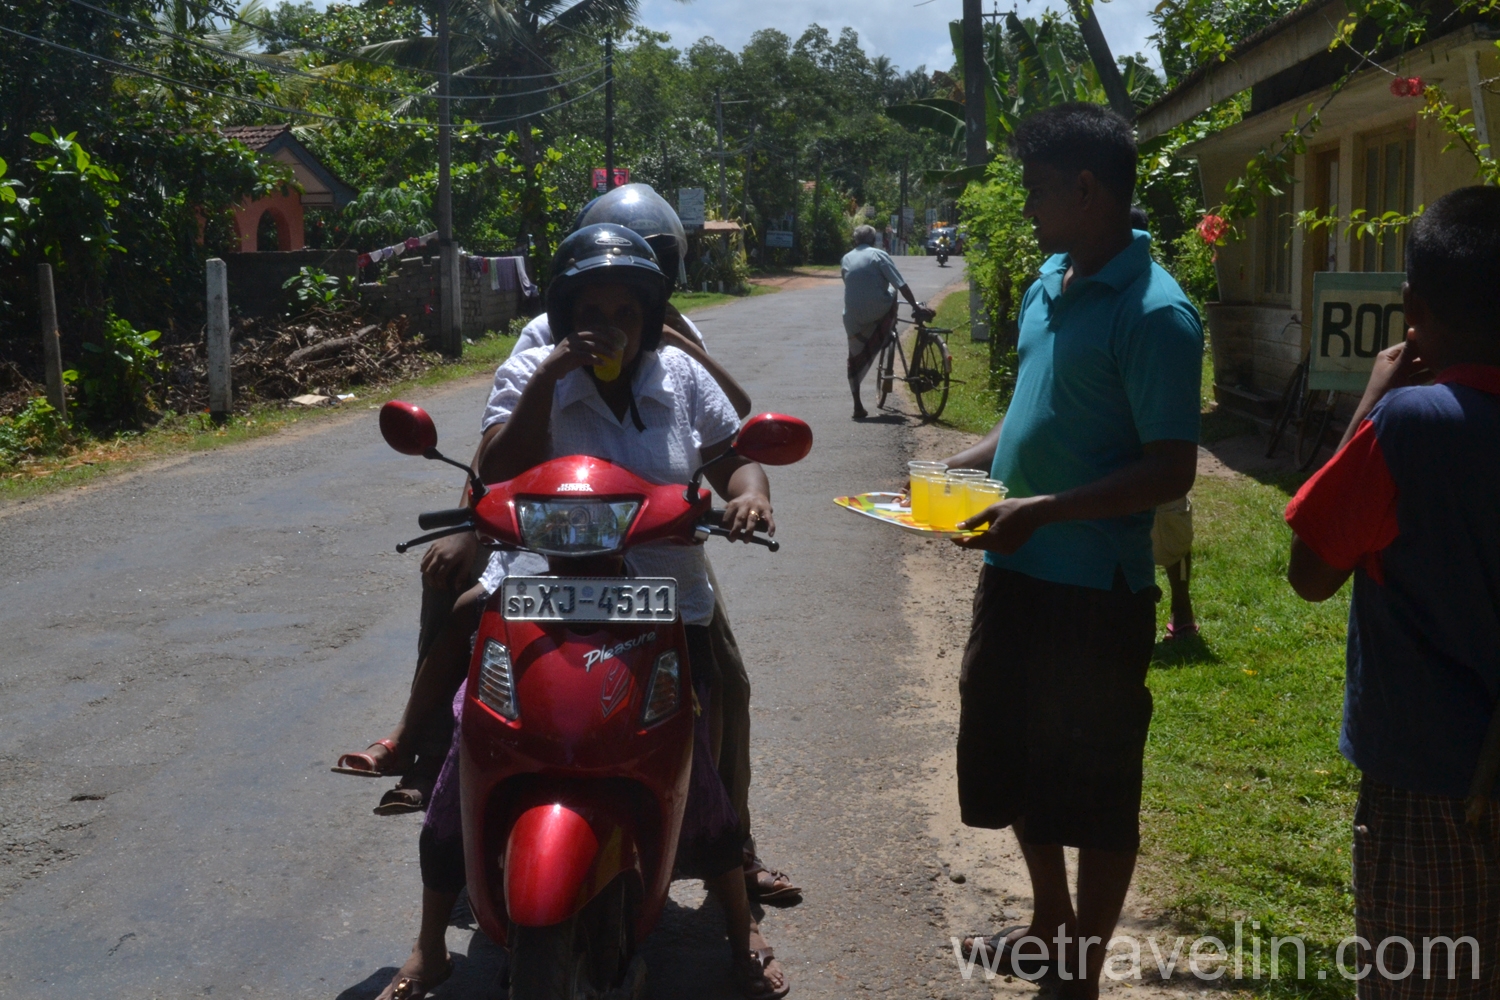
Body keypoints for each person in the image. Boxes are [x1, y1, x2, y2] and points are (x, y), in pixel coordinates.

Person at [373, 224, 790, 1000]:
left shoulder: (678, 374)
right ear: (564, 315)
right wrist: (552, 375)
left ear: (649, 315)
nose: (610, 326)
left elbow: (735, 459)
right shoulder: (532, 368)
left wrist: (750, 498)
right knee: (473, 743)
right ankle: (430, 945)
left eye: (626, 312)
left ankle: (741, 928)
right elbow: (496, 469)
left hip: (661, 598)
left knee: (701, 758)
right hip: (539, 591)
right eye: (591, 311)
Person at [942, 104, 1203, 999]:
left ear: (1087, 190)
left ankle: (1082, 966)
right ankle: (1050, 922)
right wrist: (960, 466)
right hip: (1014, 572)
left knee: (1093, 783)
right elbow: (1030, 411)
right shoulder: (1047, 282)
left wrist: (1046, 511)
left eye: (1036, 190)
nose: (1026, 207)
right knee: (1014, 752)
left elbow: (1170, 469)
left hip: (1094, 590)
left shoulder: (1156, 313)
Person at [1284, 186, 1500, 998]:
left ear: (1413, 309)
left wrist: (1370, 404)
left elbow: (1311, 571)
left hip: (1426, 784)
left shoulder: (1411, 424)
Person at [841, 224, 930, 420]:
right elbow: (900, 284)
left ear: (855, 241)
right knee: (893, 291)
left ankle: (857, 406)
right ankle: (887, 330)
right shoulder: (879, 255)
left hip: (852, 318)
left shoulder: (846, 258)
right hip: (878, 310)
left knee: (853, 359)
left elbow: (849, 284)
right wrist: (916, 307)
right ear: (873, 241)